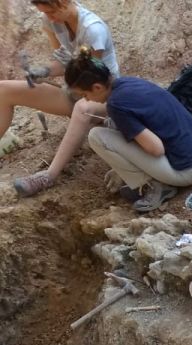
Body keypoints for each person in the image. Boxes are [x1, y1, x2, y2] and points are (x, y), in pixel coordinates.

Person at [53, 51, 192, 211]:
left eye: (84, 94)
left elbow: (156, 148)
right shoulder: (128, 82)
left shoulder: (116, 105)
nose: (86, 100)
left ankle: (154, 186)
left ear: (97, 87)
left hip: (190, 172)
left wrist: (128, 165)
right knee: (113, 125)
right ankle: (149, 178)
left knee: (97, 136)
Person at [4, 0, 119, 198]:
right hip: (74, 91)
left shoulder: (93, 30)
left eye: (51, 12)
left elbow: (92, 78)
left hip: (102, 97)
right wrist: (43, 71)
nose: (49, 17)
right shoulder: (50, 21)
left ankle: (48, 176)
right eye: (44, 13)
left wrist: (68, 66)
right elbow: (62, 62)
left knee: (82, 108)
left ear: (65, 2)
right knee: (3, 90)